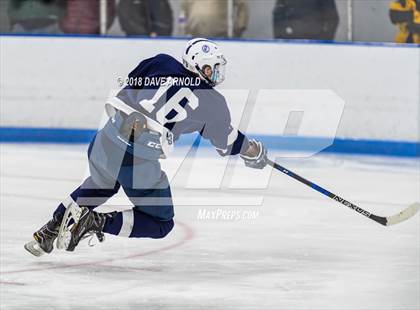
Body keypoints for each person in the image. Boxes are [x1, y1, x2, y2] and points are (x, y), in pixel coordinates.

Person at [24, 38, 268, 256]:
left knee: (100, 185)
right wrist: (253, 152)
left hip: (106, 138)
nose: (216, 75)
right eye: (212, 69)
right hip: (137, 158)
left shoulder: (160, 61)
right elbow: (227, 141)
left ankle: (49, 230)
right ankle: (96, 221)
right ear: (198, 66)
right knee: (161, 222)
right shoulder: (214, 103)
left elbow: (132, 84)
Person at [273, 0, 339, 40]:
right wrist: (281, 41)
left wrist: (323, 42)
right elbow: (278, 15)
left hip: (316, 44)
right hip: (291, 43)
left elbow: (333, 19)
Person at [181, 0, 249, 38]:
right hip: (194, 37)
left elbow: (243, 5)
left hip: (222, 38)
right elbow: (183, 12)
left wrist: (239, 27)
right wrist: (184, 32)